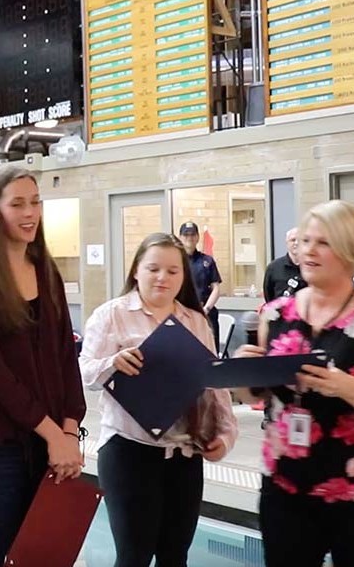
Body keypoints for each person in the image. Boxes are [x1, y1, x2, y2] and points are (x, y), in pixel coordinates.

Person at [235, 200, 354, 567]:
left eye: (323, 243)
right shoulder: (275, 314)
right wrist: (243, 373)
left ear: (349, 251)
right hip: (286, 489)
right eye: (305, 240)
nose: (307, 250)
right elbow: (259, 395)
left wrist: (342, 385)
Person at [0, 165, 86, 567]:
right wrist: (54, 436)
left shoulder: (45, 269)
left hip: (47, 446)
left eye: (36, 202)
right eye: (17, 204)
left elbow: (65, 356)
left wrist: (70, 431)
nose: (30, 213)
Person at [80, 232, 238, 567]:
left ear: (184, 276)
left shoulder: (195, 321)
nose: (162, 278)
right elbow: (82, 372)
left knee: (174, 555)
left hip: (185, 453)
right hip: (129, 452)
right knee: (133, 555)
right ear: (136, 270)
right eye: (153, 269)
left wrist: (225, 436)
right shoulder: (111, 315)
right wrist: (113, 363)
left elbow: (214, 385)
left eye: (172, 271)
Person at [178, 221, 223, 347]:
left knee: (210, 351)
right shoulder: (176, 261)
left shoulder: (207, 261)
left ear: (197, 237)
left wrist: (206, 309)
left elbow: (216, 288)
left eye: (192, 234)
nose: (189, 238)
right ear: (180, 238)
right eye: (186, 235)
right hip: (183, 314)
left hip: (206, 313)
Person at [263, 228, 307, 301]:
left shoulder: (312, 267)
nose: (296, 243)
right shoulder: (274, 268)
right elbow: (269, 297)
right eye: (293, 240)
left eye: (300, 240)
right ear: (287, 243)